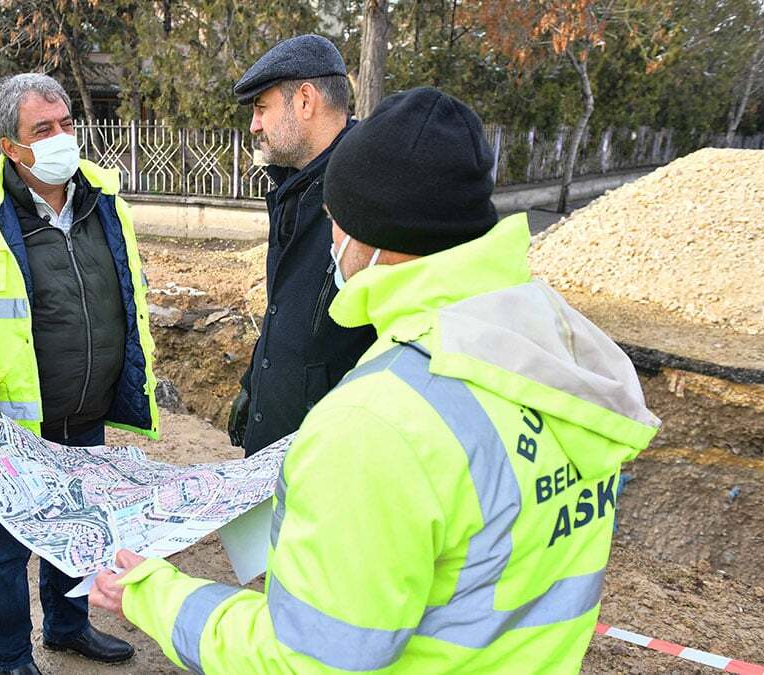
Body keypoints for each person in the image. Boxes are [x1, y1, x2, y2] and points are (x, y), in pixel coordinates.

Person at [90, 87, 661, 673]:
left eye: (335, 222)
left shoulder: (376, 424)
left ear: (374, 236)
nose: (332, 240)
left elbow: (307, 661)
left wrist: (158, 595)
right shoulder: (561, 354)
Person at [0, 73, 158, 675]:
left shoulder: (104, 200)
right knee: (6, 550)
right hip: (11, 419)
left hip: (86, 404)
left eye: (67, 125)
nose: (62, 139)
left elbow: (125, 298)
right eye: (43, 130)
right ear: (11, 146)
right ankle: (11, 658)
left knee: (76, 525)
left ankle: (67, 625)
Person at [226, 34, 375, 457]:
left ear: (305, 101)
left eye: (261, 108)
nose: (254, 125)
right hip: (278, 441)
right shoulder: (294, 185)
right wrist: (254, 385)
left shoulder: (366, 191)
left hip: (327, 453)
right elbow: (286, 310)